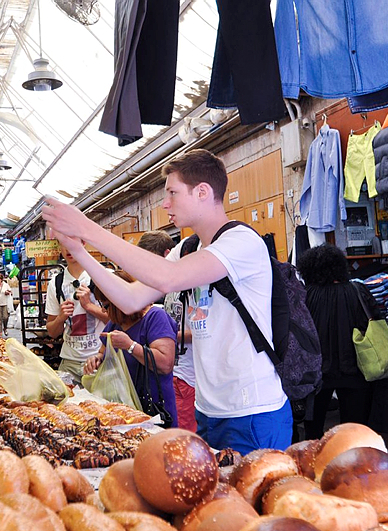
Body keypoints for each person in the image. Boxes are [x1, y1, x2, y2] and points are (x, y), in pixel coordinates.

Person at [42, 149, 291, 452]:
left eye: (173, 192)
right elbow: (130, 298)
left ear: (202, 192)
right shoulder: (187, 247)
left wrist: (87, 229)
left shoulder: (241, 243)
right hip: (208, 409)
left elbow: (167, 278)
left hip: (252, 411)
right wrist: (79, 250)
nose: (164, 203)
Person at [296, 244, 379, 439]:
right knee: (354, 433)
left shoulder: (306, 296)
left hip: (317, 375)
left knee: (313, 433)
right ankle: (351, 467)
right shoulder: (357, 291)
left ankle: (315, 466)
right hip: (355, 370)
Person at [84, 270, 179, 427]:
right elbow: (102, 352)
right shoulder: (116, 322)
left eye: (106, 306)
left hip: (153, 409)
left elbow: (165, 364)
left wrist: (130, 346)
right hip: (125, 411)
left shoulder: (155, 317)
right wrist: (96, 359)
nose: (103, 311)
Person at [137, 230, 197, 432]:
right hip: (172, 373)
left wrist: (164, 337)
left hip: (189, 377)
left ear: (169, 254)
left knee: (184, 438)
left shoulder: (191, 284)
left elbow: (203, 330)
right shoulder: (168, 287)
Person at [44, 243, 110, 385]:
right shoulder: (56, 283)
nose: (68, 247)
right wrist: (61, 318)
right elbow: (52, 332)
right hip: (69, 363)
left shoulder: (102, 276)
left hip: (100, 360)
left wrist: (89, 306)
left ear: (83, 243)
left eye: (72, 240)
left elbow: (118, 322)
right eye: (64, 242)